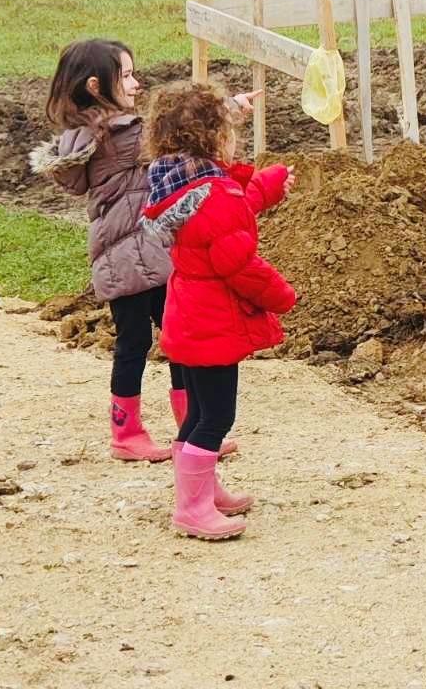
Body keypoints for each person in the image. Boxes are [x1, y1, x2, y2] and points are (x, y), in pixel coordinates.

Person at [141, 80, 296, 541]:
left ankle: (203, 492)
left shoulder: (179, 182)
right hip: (213, 323)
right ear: (214, 138)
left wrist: (266, 187)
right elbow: (238, 262)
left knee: (196, 414)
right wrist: (280, 295)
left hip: (186, 315)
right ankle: (191, 509)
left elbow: (225, 214)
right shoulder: (215, 195)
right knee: (216, 417)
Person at [31, 39, 184, 462]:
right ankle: (164, 432)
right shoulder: (121, 135)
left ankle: (136, 431)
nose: (137, 83)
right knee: (172, 337)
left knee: (141, 340)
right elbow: (176, 137)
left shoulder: (89, 136)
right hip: (136, 254)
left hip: (134, 255)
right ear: (98, 85)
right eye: (129, 75)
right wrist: (226, 111)